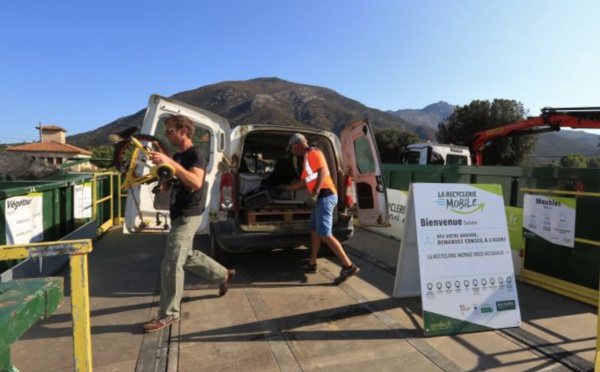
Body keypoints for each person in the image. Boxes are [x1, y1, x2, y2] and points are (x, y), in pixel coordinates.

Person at [143, 114, 235, 333]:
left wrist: (170, 163)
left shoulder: (196, 155)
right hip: (178, 212)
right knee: (186, 255)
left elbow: (195, 182)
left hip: (189, 213)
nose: (167, 135)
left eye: (170, 131)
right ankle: (224, 275)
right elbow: (172, 185)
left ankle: (169, 314)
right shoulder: (178, 155)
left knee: (172, 262)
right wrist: (163, 175)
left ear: (183, 131)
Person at [280, 133, 360, 285]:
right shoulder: (306, 159)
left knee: (324, 232)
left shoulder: (313, 152)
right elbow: (304, 182)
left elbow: (323, 171)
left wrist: (315, 193)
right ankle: (312, 263)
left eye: (291, 148)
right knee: (314, 229)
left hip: (325, 196)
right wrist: (285, 188)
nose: (291, 151)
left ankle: (348, 266)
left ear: (297, 144)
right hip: (321, 198)